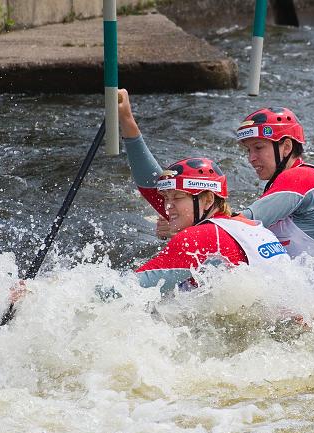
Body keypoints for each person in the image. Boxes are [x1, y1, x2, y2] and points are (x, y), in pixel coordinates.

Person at [117, 90, 287, 293]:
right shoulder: (246, 227)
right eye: (166, 198)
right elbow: (151, 185)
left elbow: (128, 291)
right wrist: (127, 121)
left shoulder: (200, 237)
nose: (167, 206)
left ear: (207, 199)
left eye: (177, 197)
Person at [235, 107, 314, 284]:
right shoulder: (292, 181)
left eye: (258, 147)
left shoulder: (301, 178)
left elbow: (238, 226)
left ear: (287, 147)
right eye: (248, 150)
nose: (251, 158)